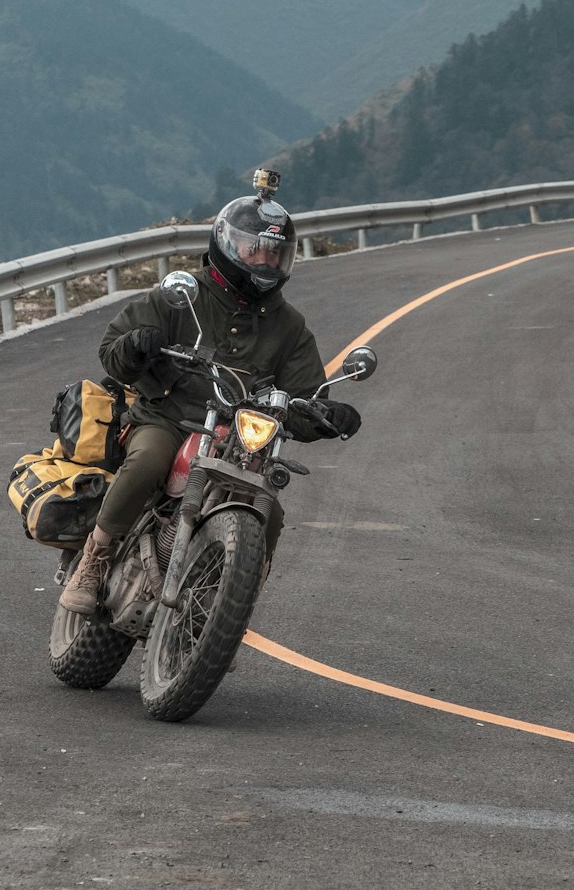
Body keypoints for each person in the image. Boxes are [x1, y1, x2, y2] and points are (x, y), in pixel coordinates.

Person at [59, 186, 362, 615]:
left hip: (238, 439)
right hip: (166, 418)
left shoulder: (289, 326)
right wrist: (137, 345)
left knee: (269, 514)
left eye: (275, 253)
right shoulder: (183, 293)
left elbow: (305, 397)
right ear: (225, 243)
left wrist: (327, 414)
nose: (264, 261)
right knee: (147, 461)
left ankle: (226, 615)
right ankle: (95, 558)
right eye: (254, 250)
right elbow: (112, 350)